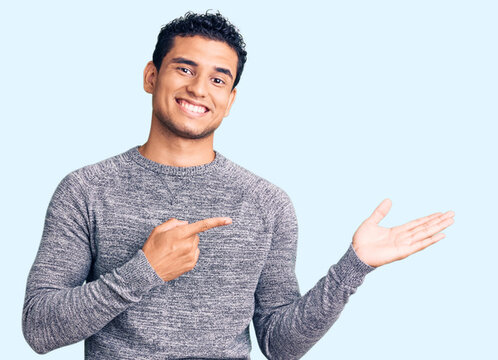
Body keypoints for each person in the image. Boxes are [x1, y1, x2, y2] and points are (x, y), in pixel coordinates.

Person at [22, 11, 454, 359]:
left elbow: (279, 345)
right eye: (184, 68)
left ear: (230, 100)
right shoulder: (86, 189)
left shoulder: (267, 203)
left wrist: (353, 266)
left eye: (218, 79)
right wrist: (145, 271)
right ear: (151, 76)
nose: (198, 89)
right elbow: (39, 329)